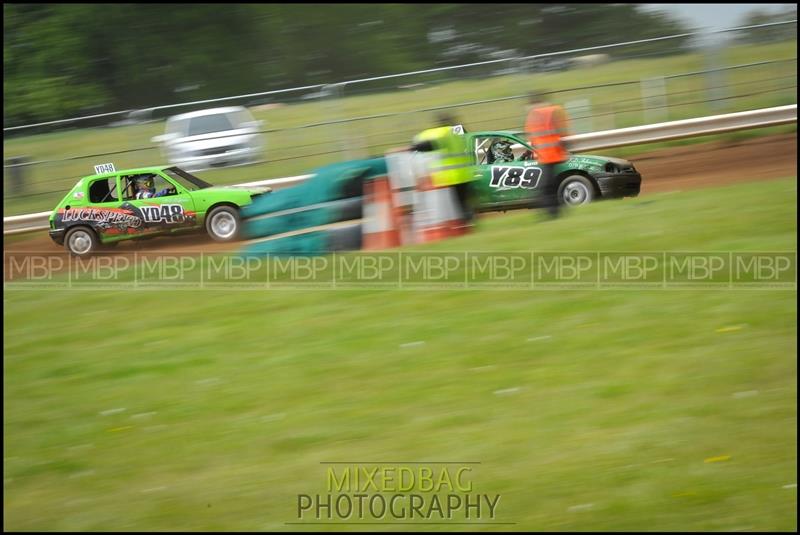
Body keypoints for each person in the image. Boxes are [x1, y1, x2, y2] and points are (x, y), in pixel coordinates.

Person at [411, 113, 476, 222]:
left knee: (452, 206)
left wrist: (414, 147)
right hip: (464, 174)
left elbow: (430, 145)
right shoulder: (457, 132)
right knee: (463, 203)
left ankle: (462, 224)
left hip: (448, 177)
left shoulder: (440, 133)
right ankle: (468, 222)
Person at [525, 91, 570, 219]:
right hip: (551, 156)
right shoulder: (553, 111)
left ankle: (552, 214)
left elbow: (534, 139)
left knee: (546, 187)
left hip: (550, 157)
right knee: (550, 186)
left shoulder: (536, 115)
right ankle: (555, 212)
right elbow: (563, 132)